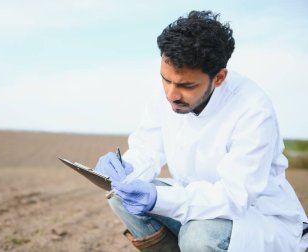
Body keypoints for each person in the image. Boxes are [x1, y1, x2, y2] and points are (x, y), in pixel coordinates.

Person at [95, 10, 308, 251]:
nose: (171, 94)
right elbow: (147, 148)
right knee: (122, 198)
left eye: (187, 86)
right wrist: (127, 168)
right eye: (166, 80)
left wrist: (157, 198)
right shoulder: (167, 94)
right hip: (196, 206)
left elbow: (234, 198)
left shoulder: (253, 109)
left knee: (199, 235)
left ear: (219, 78)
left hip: (255, 219)